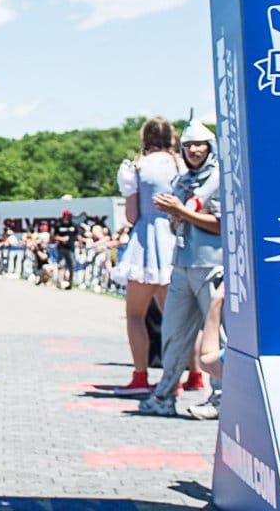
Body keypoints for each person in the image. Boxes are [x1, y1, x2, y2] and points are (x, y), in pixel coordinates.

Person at [137, 121, 224, 418]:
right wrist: (177, 216)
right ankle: (164, 393)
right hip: (183, 263)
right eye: (188, 146)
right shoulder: (182, 180)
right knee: (173, 332)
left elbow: (221, 225)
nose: (194, 151)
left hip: (212, 265)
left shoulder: (220, 179)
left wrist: (182, 212)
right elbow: (179, 225)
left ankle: (221, 397)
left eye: (200, 145)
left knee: (217, 335)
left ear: (210, 147)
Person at [108, 117, 181, 394]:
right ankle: (193, 374)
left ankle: (141, 375)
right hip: (176, 238)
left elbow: (131, 214)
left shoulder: (136, 167)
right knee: (178, 316)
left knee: (136, 315)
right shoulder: (180, 163)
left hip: (146, 241)